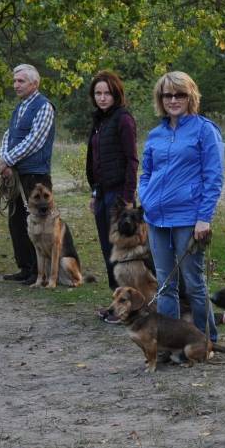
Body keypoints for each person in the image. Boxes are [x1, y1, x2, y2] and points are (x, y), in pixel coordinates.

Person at [138, 71, 224, 339]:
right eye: (168, 95)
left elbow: (214, 176)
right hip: (157, 219)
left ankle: (206, 338)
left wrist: (204, 217)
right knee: (165, 284)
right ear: (160, 99)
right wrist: (146, 198)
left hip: (189, 218)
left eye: (180, 94)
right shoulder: (155, 134)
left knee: (194, 283)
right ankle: (169, 340)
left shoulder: (204, 130)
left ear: (191, 97)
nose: (173, 100)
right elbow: (146, 172)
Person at [0, 64, 56, 284]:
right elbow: (8, 136)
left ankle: (40, 272)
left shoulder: (44, 107)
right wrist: (3, 160)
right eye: (14, 81)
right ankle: (25, 267)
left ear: (34, 83)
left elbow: (35, 140)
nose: (16, 85)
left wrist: (8, 160)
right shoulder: (19, 108)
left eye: (20, 81)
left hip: (36, 175)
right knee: (17, 221)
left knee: (40, 225)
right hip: (16, 174)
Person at [85, 70, 138, 299]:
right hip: (102, 193)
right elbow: (97, 161)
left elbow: (132, 160)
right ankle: (116, 299)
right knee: (108, 249)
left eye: (107, 93)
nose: (102, 97)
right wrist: (95, 193)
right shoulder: (99, 121)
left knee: (124, 250)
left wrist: (127, 198)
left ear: (116, 94)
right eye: (98, 93)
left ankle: (131, 300)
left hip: (119, 195)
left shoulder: (123, 119)